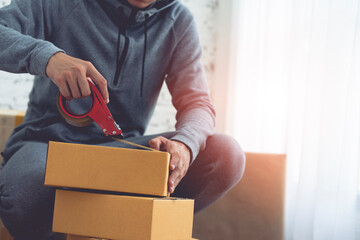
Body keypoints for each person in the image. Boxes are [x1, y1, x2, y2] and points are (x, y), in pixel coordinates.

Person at [0, 0, 246, 239]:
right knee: (25, 196)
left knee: (226, 156)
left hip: (120, 155)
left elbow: (197, 103)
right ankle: (119, 221)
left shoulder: (179, 21)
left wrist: (185, 143)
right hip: (47, 147)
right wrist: (47, 57)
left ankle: (111, 221)